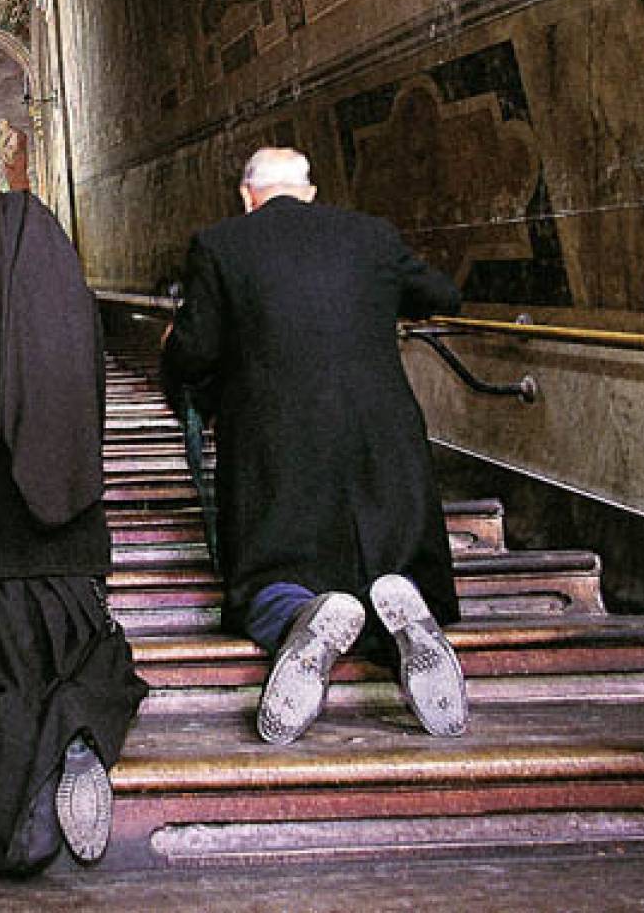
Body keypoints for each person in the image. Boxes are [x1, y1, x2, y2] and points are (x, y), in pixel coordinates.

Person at [162, 148, 468, 746]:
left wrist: (177, 348)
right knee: (389, 556)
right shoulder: (371, 235)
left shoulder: (222, 244)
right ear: (310, 192)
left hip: (274, 442)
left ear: (246, 196)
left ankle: (301, 615)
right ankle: (403, 611)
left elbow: (195, 353)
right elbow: (443, 295)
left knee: (271, 572)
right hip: (380, 436)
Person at [0, 189, 148, 878]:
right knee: (100, 663)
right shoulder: (71, 314)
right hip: (69, 571)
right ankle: (75, 724)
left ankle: (19, 799)